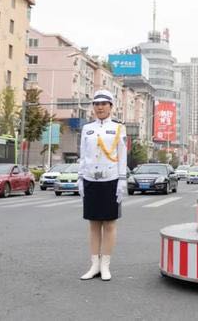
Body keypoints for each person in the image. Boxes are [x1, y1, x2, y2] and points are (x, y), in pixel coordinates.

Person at [77, 89, 127, 281]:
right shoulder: (87, 129)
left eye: (103, 104)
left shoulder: (118, 128)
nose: (99, 107)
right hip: (91, 178)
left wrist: (121, 180)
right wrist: (80, 178)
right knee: (93, 224)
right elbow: (83, 155)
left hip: (111, 179)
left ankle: (105, 265)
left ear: (111, 106)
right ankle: (94, 265)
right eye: (96, 104)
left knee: (110, 224)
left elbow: (122, 155)